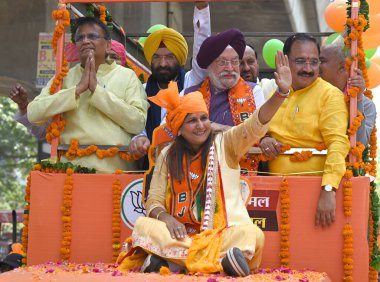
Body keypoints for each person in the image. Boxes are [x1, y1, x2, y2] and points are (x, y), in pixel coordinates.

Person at [117, 51, 291, 276]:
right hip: (179, 234)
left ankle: (174, 263)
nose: (200, 125)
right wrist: (166, 218)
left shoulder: (225, 144)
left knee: (251, 234)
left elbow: (255, 126)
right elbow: (154, 201)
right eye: (192, 120)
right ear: (179, 128)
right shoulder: (168, 154)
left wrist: (281, 93)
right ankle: (220, 262)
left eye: (203, 118)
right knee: (144, 226)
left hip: (219, 233)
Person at [27, 17, 149, 172]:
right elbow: (33, 113)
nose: (85, 41)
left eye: (92, 36)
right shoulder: (64, 77)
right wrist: (76, 90)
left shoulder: (127, 76)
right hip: (71, 170)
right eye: (80, 38)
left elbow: (137, 123)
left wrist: (97, 91)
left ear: (108, 45)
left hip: (116, 171)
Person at [258, 33, 350, 228]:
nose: (308, 69)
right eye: (300, 61)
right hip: (272, 193)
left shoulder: (329, 95)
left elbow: (338, 142)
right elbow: (255, 128)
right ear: (285, 61)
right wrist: (264, 139)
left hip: (314, 194)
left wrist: (328, 189)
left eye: (314, 62)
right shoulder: (272, 92)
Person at [129, 2, 211, 161]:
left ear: (180, 60)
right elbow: (138, 125)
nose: (163, 63)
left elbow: (202, 53)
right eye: (157, 57)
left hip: (189, 165)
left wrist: (202, 10)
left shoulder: (190, 82)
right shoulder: (142, 90)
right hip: (154, 168)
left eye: (169, 57)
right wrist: (138, 139)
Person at [184, 28, 265, 173]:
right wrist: (224, 129)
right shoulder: (190, 94)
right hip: (198, 175)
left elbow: (256, 131)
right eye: (222, 62)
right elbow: (173, 126)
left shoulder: (254, 91)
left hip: (241, 176)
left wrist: (210, 127)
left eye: (234, 62)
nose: (229, 68)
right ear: (209, 65)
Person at [319, 43, 376, 146]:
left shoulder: (366, 105)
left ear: (342, 67)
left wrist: (357, 101)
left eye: (322, 61)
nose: (317, 65)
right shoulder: (312, 92)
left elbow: (359, 143)